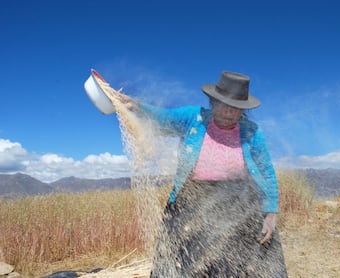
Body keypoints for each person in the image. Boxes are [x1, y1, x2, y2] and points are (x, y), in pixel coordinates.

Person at [115, 71, 287, 277]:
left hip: (239, 202)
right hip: (192, 199)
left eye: (236, 108)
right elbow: (162, 119)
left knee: (246, 262)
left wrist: (270, 213)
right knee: (182, 261)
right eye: (223, 104)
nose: (229, 112)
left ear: (243, 110)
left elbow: (266, 171)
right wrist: (137, 107)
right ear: (213, 102)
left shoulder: (252, 132)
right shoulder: (193, 118)